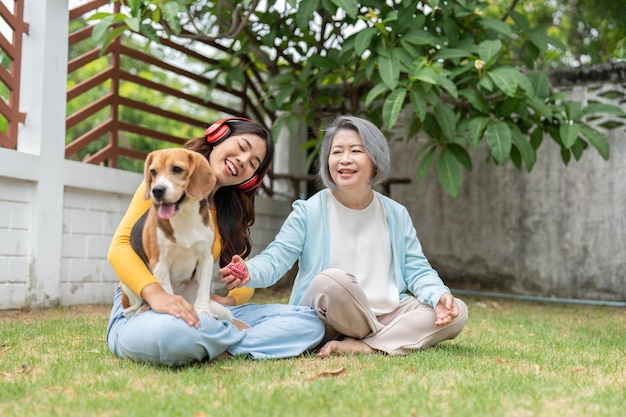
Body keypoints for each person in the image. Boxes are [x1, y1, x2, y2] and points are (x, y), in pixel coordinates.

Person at [220, 115, 468, 357]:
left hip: (385, 313)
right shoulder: (309, 211)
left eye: (356, 151)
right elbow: (276, 259)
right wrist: (249, 272)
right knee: (331, 281)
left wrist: (439, 295)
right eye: (337, 152)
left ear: (375, 160)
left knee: (459, 311)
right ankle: (388, 339)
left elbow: (417, 270)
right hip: (327, 316)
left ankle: (365, 345)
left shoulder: (396, 214)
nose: (344, 160)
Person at [106, 117, 324, 366]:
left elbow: (243, 275)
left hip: (199, 306)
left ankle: (214, 337)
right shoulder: (164, 184)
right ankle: (224, 334)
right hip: (144, 310)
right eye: (241, 147)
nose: (243, 161)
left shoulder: (230, 212)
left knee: (310, 321)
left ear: (251, 178)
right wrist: (157, 295)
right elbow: (120, 247)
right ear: (217, 135)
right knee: (172, 333)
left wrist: (229, 301)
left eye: (253, 163)